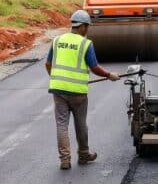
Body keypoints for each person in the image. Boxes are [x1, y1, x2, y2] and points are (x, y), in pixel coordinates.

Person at [45, 10, 120, 170]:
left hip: (58, 90)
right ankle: (84, 155)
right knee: (80, 124)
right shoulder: (86, 44)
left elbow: (48, 64)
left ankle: (65, 160)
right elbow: (94, 67)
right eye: (88, 27)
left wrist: (57, 78)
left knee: (61, 125)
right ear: (83, 26)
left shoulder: (57, 40)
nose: (88, 30)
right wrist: (109, 75)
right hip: (78, 92)